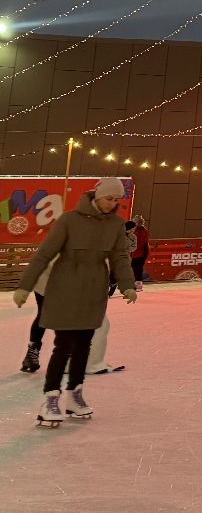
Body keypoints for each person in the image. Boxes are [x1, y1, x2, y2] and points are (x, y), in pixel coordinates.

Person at [11, 177, 137, 427]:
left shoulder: (115, 225)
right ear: (97, 196)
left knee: (84, 345)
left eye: (116, 200)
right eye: (109, 198)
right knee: (64, 345)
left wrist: (127, 284)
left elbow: (120, 256)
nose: (112, 204)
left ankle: (74, 394)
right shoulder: (69, 220)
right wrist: (25, 286)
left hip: (93, 289)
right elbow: (44, 253)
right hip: (64, 287)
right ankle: (50, 398)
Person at [131, 215, 150, 287]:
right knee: (135, 267)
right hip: (137, 252)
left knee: (137, 267)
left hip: (141, 252)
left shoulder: (142, 231)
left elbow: (140, 243)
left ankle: (138, 284)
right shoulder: (136, 230)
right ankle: (137, 283)